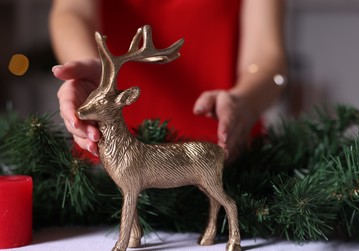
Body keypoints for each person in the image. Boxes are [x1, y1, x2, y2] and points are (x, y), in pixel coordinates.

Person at [50, 0, 287, 162]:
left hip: (227, 158)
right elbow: (73, 11)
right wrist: (91, 70)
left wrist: (244, 100)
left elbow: (265, 56)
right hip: (108, 161)